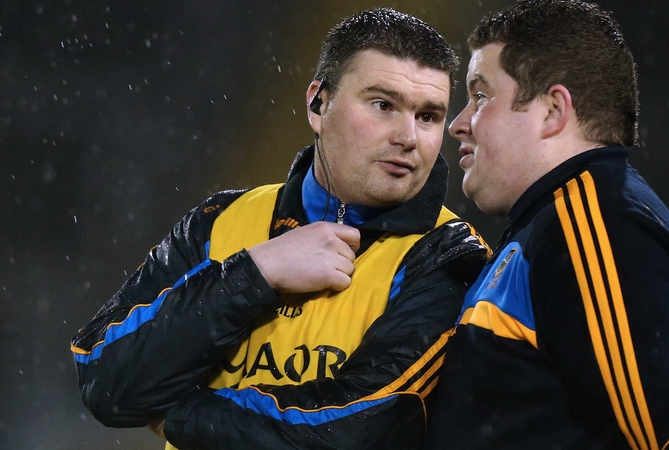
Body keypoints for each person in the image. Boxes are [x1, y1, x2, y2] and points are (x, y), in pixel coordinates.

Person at [70, 8, 489, 450]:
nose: (408, 136)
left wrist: (175, 411)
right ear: (317, 104)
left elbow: (355, 433)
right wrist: (255, 273)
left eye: (427, 116)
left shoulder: (451, 258)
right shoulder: (220, 220)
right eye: (383, 105)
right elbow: (106, 383)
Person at [425, 1, 669, 449]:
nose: (459, 123)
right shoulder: (557, 223)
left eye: (481, 95)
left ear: (552, 111)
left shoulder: (591, 226)